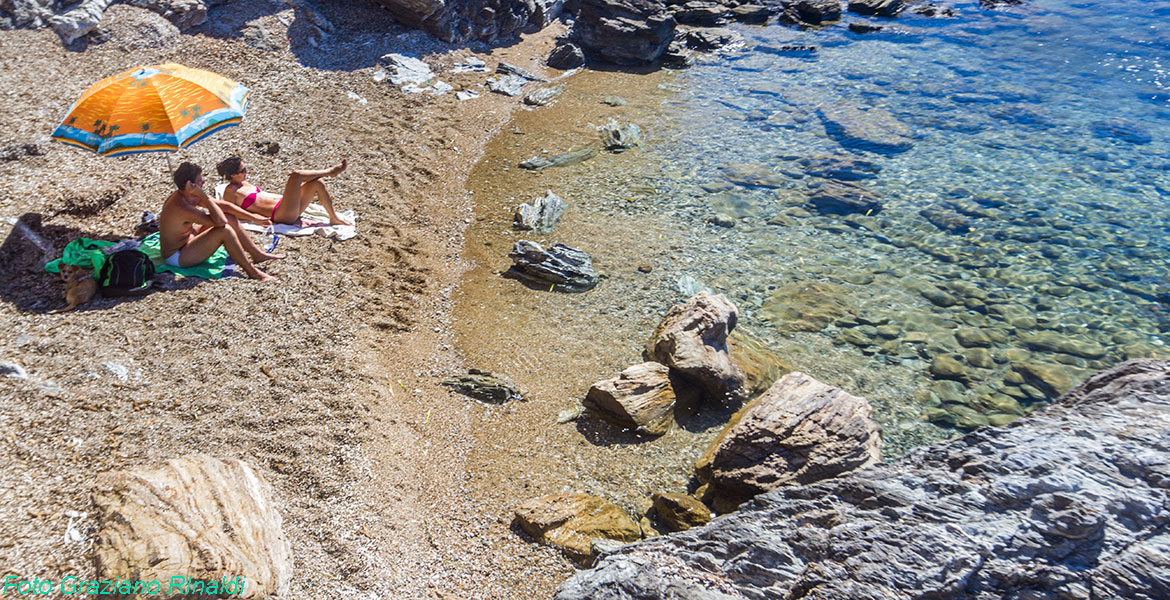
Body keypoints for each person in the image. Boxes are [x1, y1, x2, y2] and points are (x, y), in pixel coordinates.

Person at [159, 162, 281, 282]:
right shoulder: (182, 206)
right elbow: (220, 222)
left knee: (229, 217)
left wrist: (254, 218)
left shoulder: (188, 195)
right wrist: (203, 196)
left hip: (188, 239)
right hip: (177, 255)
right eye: (200, 181)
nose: (203, 183)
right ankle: (253, 272)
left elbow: (225, 207)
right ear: (190, 184)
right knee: (225, 231)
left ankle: (257, 255)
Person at [216, 156, 351, 226]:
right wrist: (255, 219)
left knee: (317, 183)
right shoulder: (230, 190)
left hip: (287, 207)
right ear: (233, 175)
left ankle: (333, 217)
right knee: (296, 175)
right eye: (242, 171)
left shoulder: (243, 182)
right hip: (280, 214)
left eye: (245, 168)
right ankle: (330, 172)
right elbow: (231, 211)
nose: (246, 172)